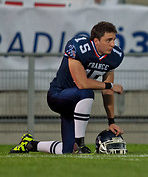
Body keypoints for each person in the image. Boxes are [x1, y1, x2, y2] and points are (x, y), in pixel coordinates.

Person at [9, 21, 125, 154]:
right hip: (58, 95)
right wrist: (110, 85)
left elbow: (107, 91)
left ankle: (29, 144)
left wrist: (111, 121)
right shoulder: (79, 46)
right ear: (96, 41)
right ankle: (80, 144)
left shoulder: (115, 56)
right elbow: (82, 83)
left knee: (68, 151)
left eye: (114, 40)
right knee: (86, 92)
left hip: (77, 104)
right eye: (108, 40)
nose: (112, 44)